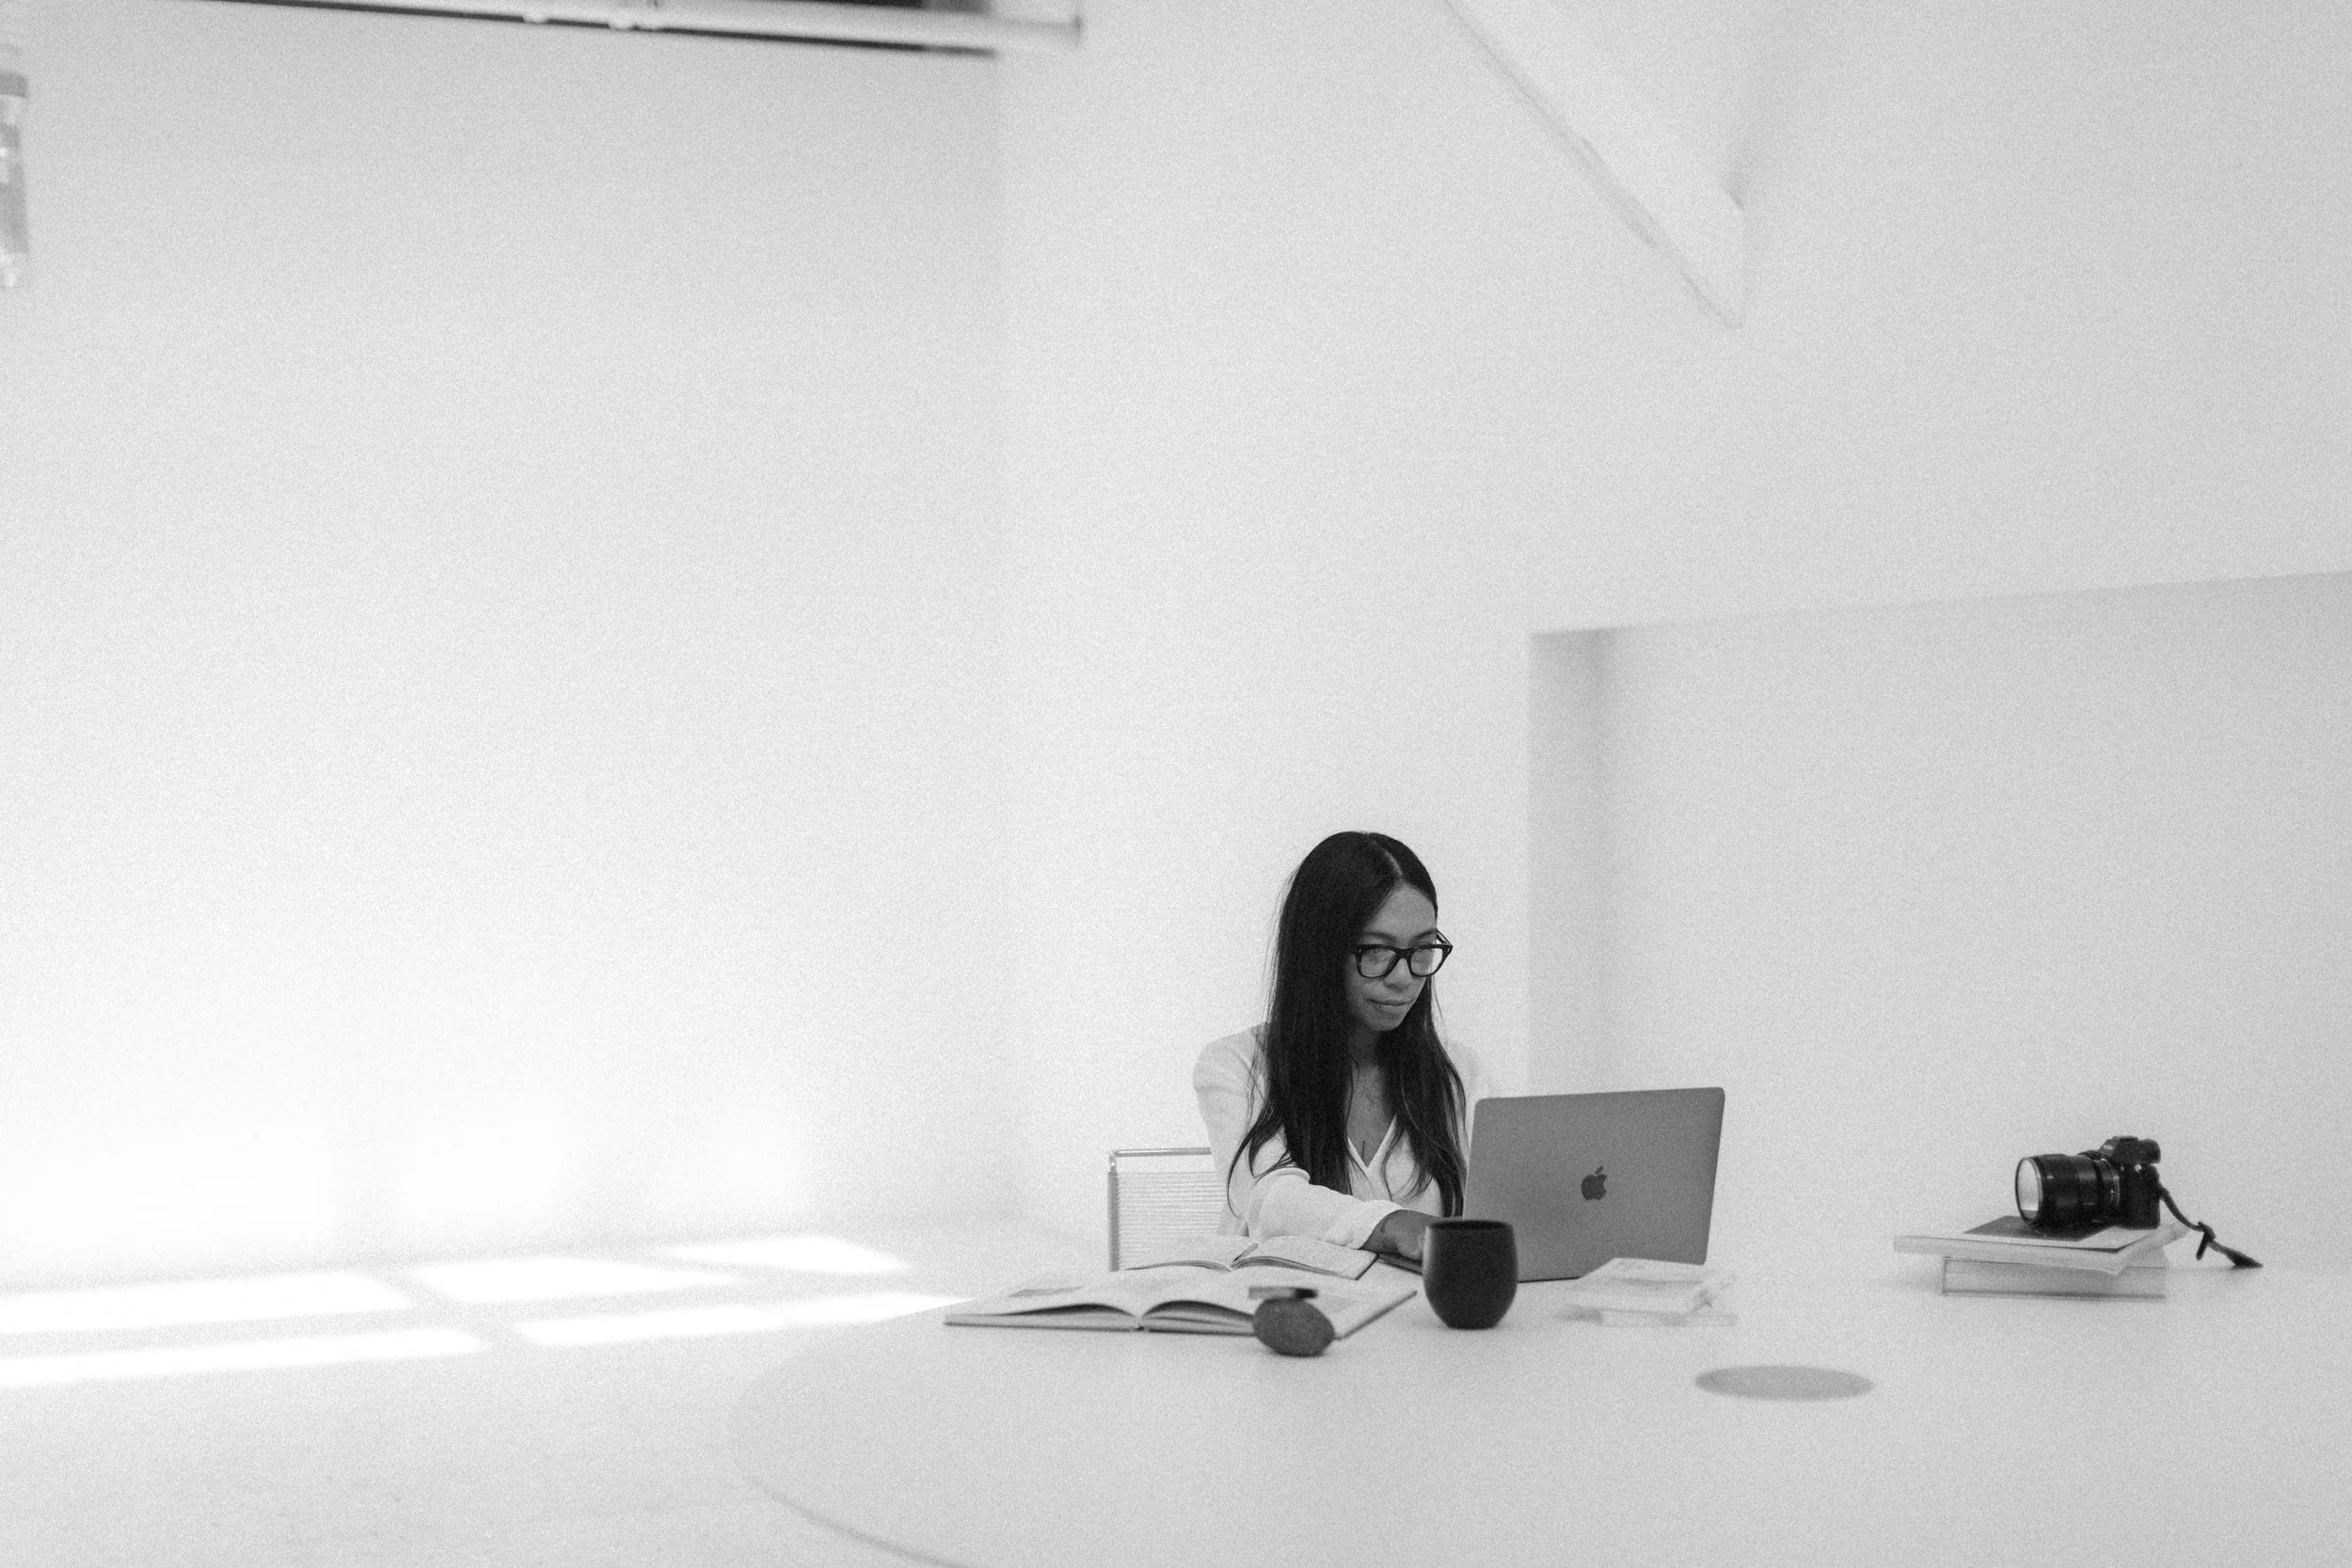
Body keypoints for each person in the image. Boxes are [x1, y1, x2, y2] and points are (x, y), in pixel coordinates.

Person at [1194, 831, 1484, 1264]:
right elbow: (1272, 1201)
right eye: (1376, 951)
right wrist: (1393, 1225)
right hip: (1288, 1317)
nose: (1404, 977)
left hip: (1419, 1325)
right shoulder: (1237, 1065)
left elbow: (1497, 1211)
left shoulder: (1460, 1071)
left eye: (1422, 949)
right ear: (1318, 954)